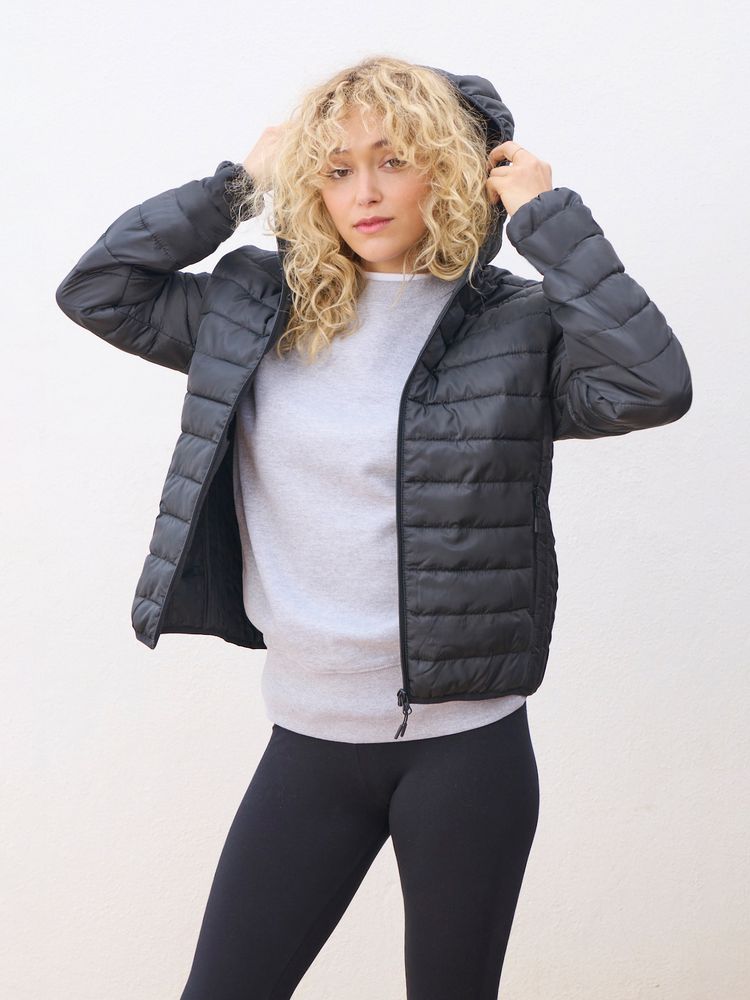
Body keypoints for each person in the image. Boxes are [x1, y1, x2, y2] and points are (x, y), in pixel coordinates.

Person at [55, 56, 692, 1000]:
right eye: (337, 167)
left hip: (467, 748)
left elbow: (653, 385)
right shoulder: (253, 307)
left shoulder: (518, 328)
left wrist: (548, 220)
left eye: (394, 160)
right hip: (309, 741)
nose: (364, 191)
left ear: (450, 168)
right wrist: (235, 186)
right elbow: (97, 289)